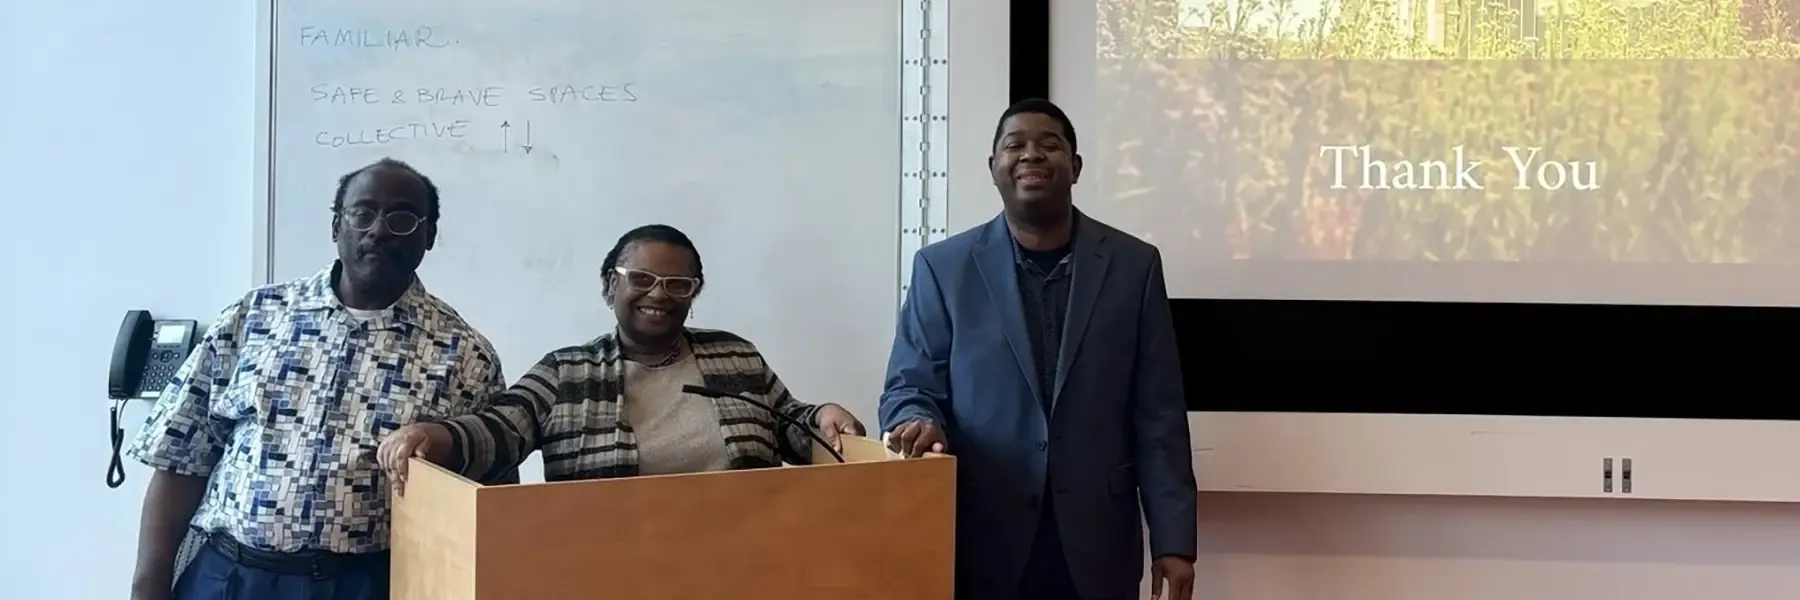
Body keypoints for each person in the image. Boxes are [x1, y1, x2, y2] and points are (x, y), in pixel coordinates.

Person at [127, 158, 514, 600]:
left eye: (403, 218)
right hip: (231, 577)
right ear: (336, 226)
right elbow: (181, 458)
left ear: (429, 235)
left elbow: (488, 502)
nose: (380, 230)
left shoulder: (465, 354)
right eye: (362, 213)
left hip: (369, 583)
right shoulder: (254, 317)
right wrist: (147, 585)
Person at [880, 98, 1198, 600]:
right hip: (982, 536)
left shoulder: (1134, 266)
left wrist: (1174, 540)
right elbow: (910, 383)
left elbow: (1158, 413)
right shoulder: (942, 268)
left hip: (1098, 543)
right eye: (1015, 145)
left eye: (1050, 144)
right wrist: (918, 419)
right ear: (994, 169)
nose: (1032, 155)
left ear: (1075, 166)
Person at [377, 224, 865, 490]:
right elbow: (498, 430)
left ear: (694, 294)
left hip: (748, 560)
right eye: (642, 279)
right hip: (610, 565)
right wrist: (433, 436)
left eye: (678, 284)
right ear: (612, 284)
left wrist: (823, 416)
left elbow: (787, 422)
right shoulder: (565, 372)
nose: (660, 294)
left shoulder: (733, 356)